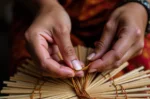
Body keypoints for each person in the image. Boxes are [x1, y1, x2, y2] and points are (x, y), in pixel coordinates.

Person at [11, 0, 150, 78]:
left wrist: (142, 6)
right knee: (30, 74)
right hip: (42, 18)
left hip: (126, 16)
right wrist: (45, 6)